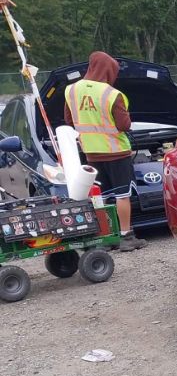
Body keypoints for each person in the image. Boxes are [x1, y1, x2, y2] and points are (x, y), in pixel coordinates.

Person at [63, 51, 146, 252]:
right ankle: (126, 236)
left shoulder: (71, 91)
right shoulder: (112, 94)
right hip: (116, 152)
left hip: (91, 153)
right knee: (122, 195)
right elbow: (124, 125)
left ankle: (106, 237)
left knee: (101, 197)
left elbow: (68, 120)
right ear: (109, 71)